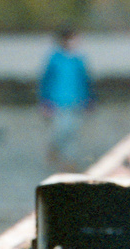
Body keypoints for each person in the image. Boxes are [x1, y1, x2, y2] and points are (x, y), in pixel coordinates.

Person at [39, 27, 94, 171]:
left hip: (76, 102)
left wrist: (89, 101)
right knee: (61, 131)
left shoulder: (79, 60)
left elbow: (86, 81)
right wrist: (44, 102)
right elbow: (46, 82)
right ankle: (54, 149)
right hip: (57, 103)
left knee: (73, 133)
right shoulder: (54, 59)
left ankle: (70, 163)